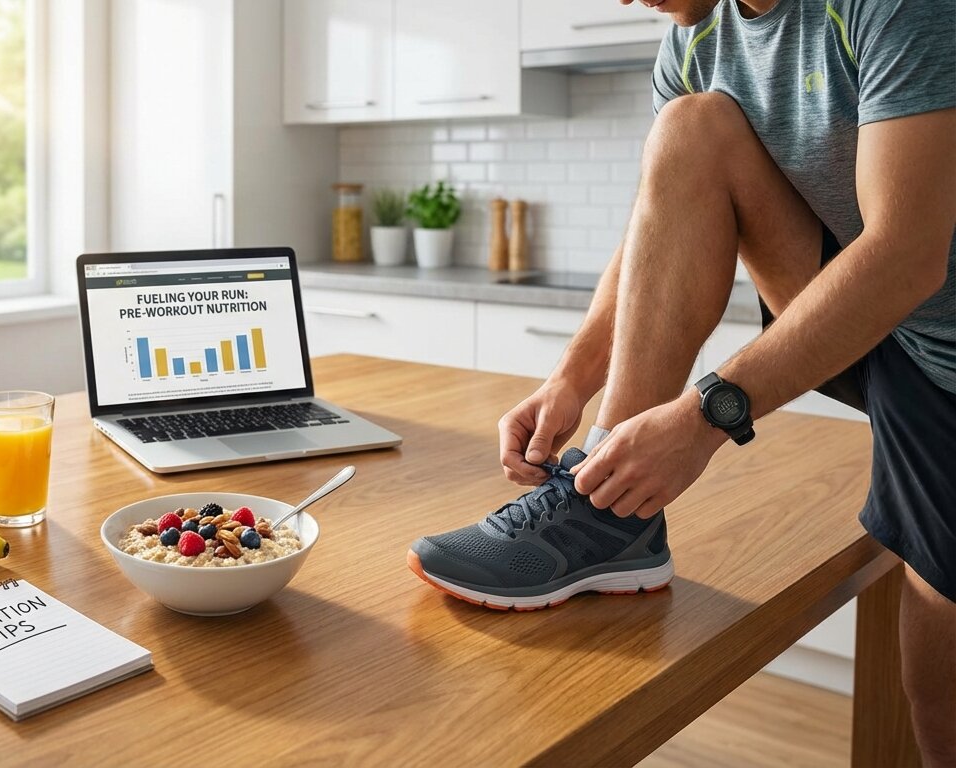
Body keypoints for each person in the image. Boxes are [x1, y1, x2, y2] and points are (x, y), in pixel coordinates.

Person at [406, 0, 956, 761]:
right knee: (690, 129)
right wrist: (571, 379)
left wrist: (705, 416)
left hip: (933, 341)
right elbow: (658, 221)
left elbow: (907, 254)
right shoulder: (694, 41)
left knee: (937, 691)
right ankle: (608, 514)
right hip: (859, 322)